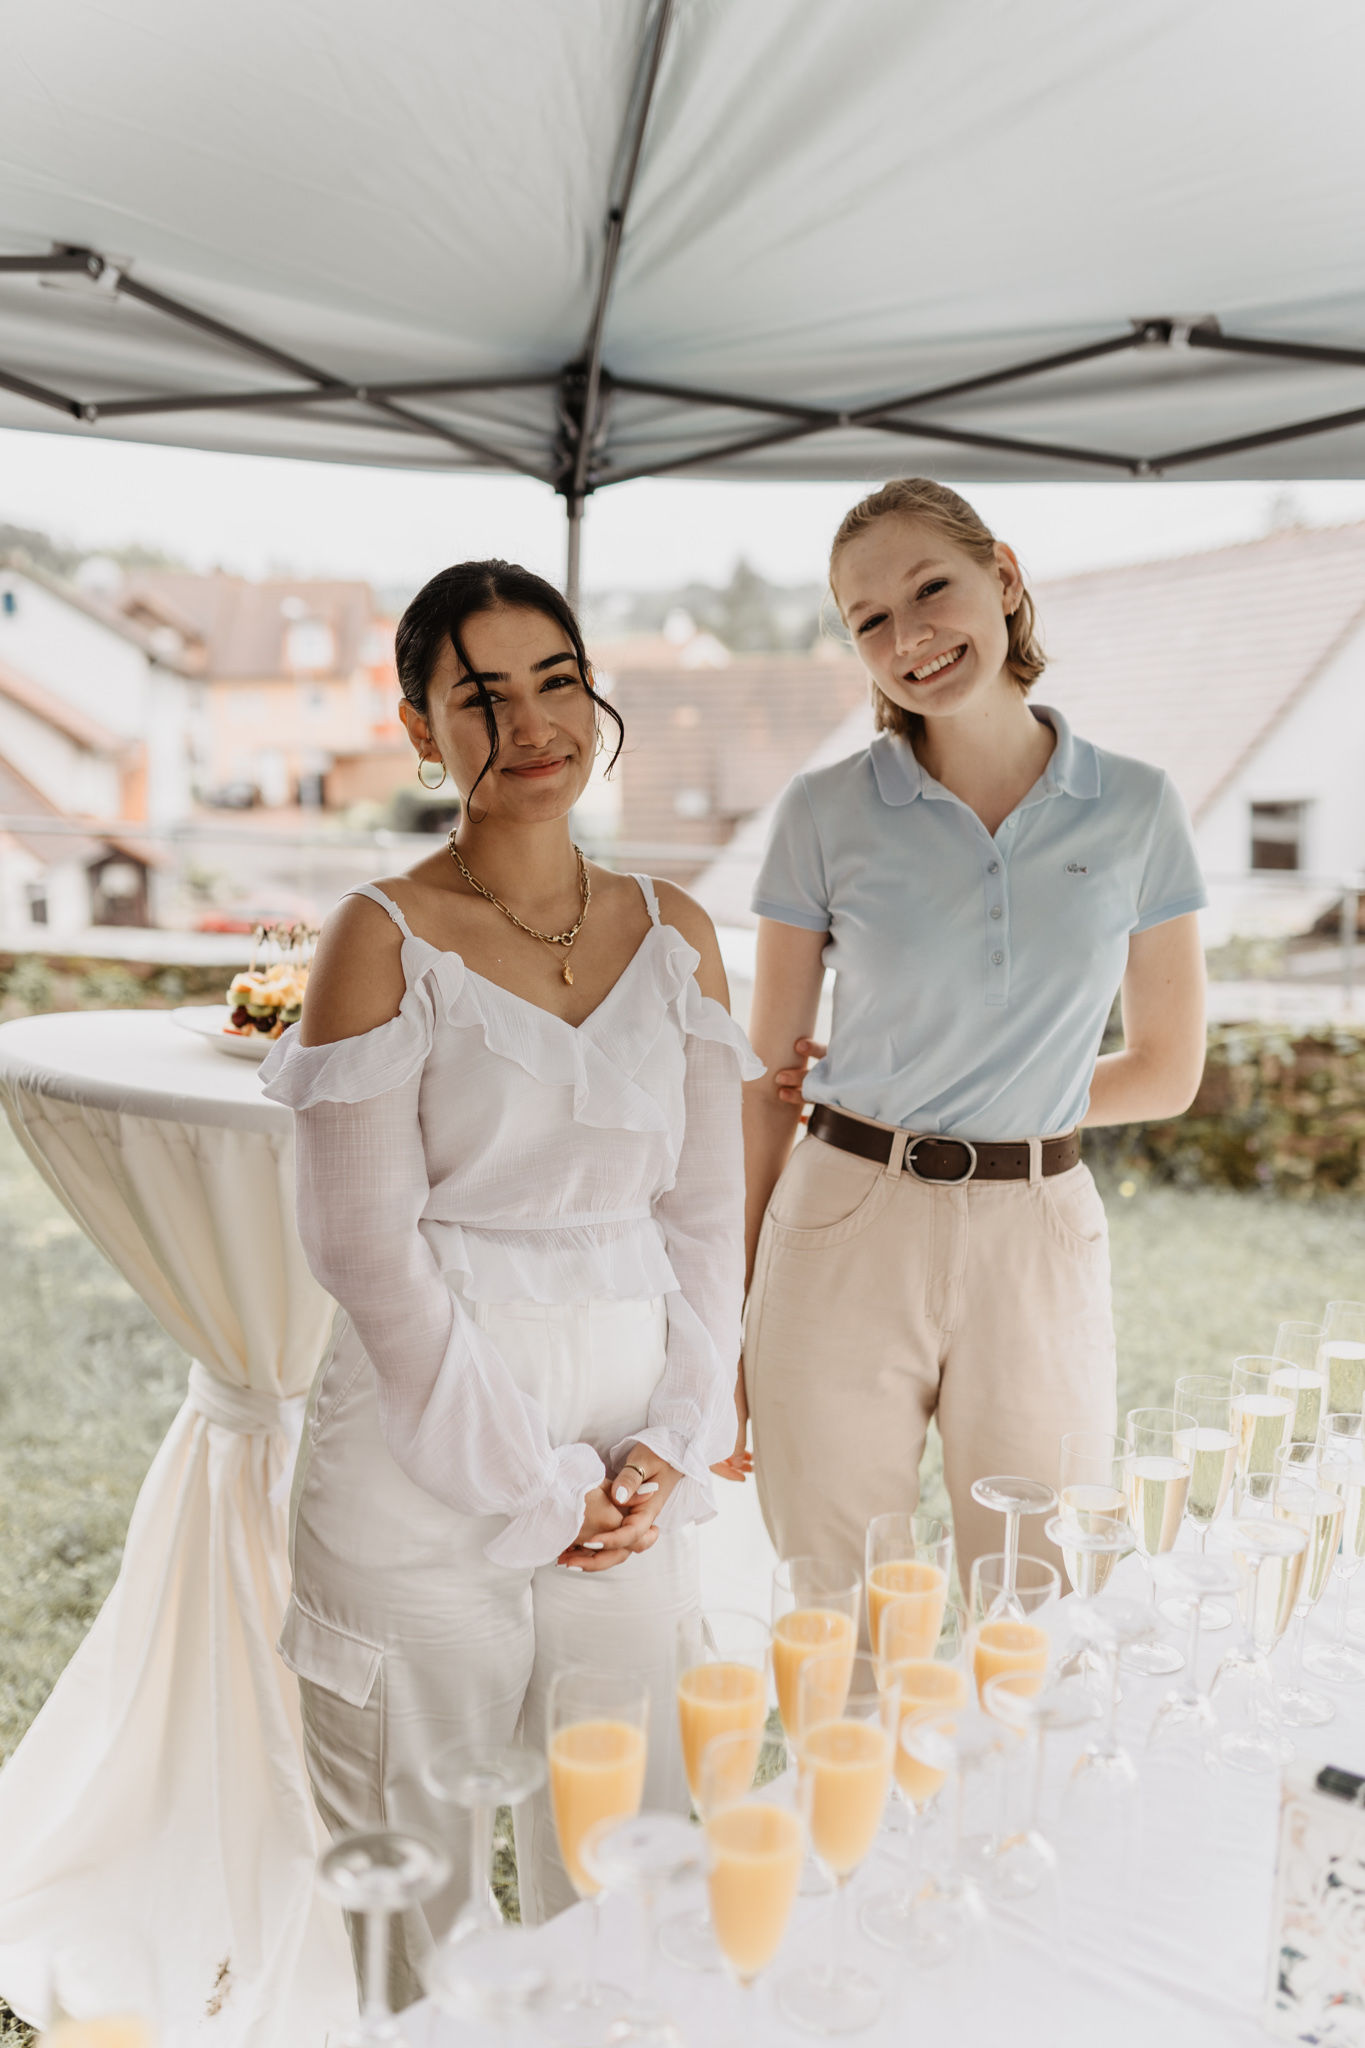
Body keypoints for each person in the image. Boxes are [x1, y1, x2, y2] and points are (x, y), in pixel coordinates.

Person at [260, 560, 759, 1993]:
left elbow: (705, 1216)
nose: (533, 722)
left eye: (556, 679)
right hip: (425, 1469)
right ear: (421, 730)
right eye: (481, 696)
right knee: (413, 1878)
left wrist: (667, 1446)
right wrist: (533, 1487)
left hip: (628, 1471)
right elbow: (363, 1250)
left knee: (623, 1858)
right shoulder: (382, 932)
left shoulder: (679, 936)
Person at [741, 479, 1207, 1591]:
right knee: (839, 1596)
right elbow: (765, 1081)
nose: (909, 636)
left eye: (930, 587)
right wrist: (733, 1304)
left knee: (1035, 1596)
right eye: (869, 620)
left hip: (1038, 1230)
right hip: (842, 1221)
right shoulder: (822, 812)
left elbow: (1166, 1069)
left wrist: (1005, 1103)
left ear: (1002, 575)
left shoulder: (1138, 806)